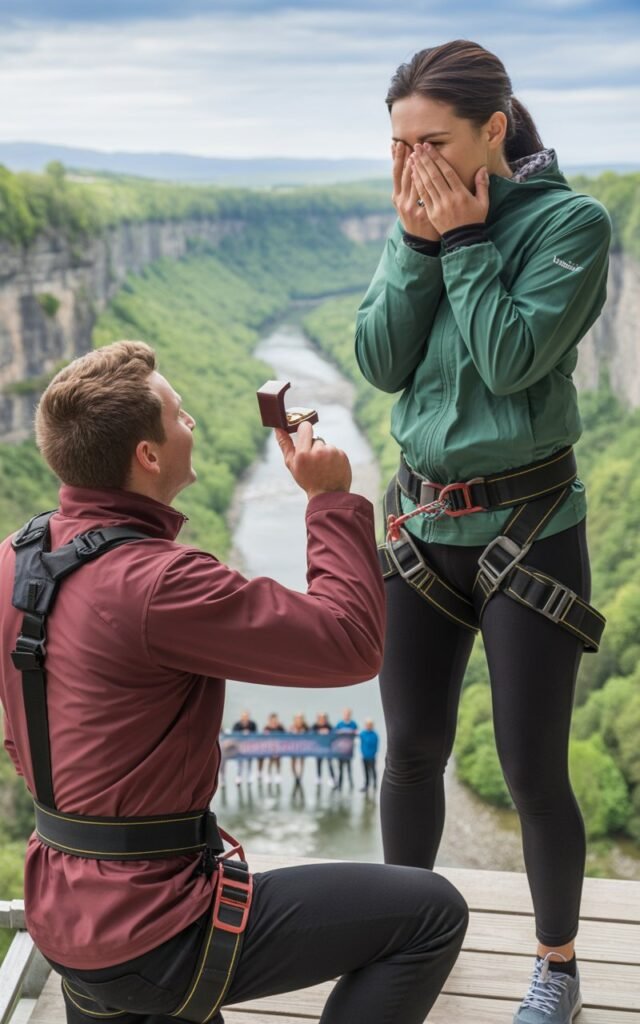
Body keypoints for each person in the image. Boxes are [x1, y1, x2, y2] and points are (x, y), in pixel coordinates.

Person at [0, 340, 468, 1024]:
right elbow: (349, 644)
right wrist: (331, 500)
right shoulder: (160, 582)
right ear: (147, 457)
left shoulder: (18, 559)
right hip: (158, 931)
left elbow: (24, 733)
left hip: (65, 914)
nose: (193, 423)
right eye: (180, 415)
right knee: (430, 914)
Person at [355, 39, 611, 1024]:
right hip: (421, 521)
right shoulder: (415, 216)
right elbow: (379, 359)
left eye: (432, 140)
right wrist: (419, 241)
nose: (410, 163)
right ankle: (398, 935)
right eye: (395, 144)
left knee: (530, 765)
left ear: (492, 130)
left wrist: (462, 242)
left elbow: (508, 361)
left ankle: (555, 968)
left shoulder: (569, 225)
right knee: (411, 747)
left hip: (531, 524)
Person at [334, 707, 358, 791]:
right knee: (340, 769)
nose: (346, 715)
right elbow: (334, 734)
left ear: (350, 715)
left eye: (348, 714)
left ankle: (351, 784)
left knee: (349, 768)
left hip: (349, 750)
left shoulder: (353, 724)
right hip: (340, 750)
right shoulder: (340, 724)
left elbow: (356, 733)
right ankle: (339, 785)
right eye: (345, 714)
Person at [311, 711, 337, 788]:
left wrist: (328, 732)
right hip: (318, 748)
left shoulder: (328, 726)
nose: (322, 719)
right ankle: (319, 777)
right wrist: (318, 732)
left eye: (323, 718)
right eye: (320, 718)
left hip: (327, 748)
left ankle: (332, 778)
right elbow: (310, 733)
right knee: (318, 763)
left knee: (330, 763)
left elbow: (334, 733)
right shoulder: (315, 726)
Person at [232, 709, 257, 785]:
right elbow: (233, 734)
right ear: (241, 717)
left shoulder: (253, 724)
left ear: (248, 717)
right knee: (239, 762)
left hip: (250, 746)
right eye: (243, 716)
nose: (245, 718)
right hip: (239, 747)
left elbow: (256, 735)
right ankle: (239, 776)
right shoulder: (237, 724)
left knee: (250, 761)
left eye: (246, 716)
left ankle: (249, 776)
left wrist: (249, 734)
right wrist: (241, 734)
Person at [261, 711, 286, 784]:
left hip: (279, 746)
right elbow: (263, 737)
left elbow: (286, 736)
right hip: (269, 747)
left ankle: (278, 774)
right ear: (269, 720)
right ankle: (268, 774)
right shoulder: (266, 727)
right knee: (270, 760)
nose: (274, 721)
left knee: (278, 760)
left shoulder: (280, 727)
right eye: (272, 719)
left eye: (275, 719)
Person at [289, 711, 309, 792]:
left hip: (302, 747)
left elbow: (311, 735)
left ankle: (300, 776)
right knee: (293, 762)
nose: (299, 720)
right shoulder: (291, 727)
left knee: (301, 761)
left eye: (300, 718)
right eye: (297, 719)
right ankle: (295, 776)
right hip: (293, 747)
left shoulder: (306, 728)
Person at [359, 718, 379, 795]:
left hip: (372, 756)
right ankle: (367, 785)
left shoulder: (374, 735)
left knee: (373, 771)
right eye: (367, 725)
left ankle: (375, 785)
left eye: (370, 725)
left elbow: (376, 745)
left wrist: (373, 753)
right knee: (366, 771)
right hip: (364, 756)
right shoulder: (362, 733)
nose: (368, 726)